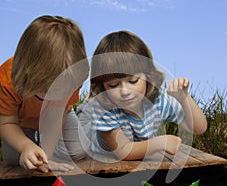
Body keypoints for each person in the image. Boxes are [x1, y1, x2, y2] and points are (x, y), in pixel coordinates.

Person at [79, 30, 207, 160]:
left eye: (133, 81)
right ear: (103, 86)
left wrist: (184, 98)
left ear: (148, 76)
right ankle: (86, 104)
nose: (125, 91)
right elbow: (123, 150)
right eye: (113, 85)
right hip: (89, 133)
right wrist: (159, 143)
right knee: (78, 142)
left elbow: (199, 128)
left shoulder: (159, 100)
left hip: (131, 138)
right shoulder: (103, 107)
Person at [0, 15, 89, 173]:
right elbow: (7, 123)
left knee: (78, 151)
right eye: (46, 89)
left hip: (56, 116)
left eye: (63, 90)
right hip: (19, 121)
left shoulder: (72, 76)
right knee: (17, 160)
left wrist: (47, 153)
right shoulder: (7, 80)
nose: (54, 97)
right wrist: (25, 146)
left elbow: (59, 115)